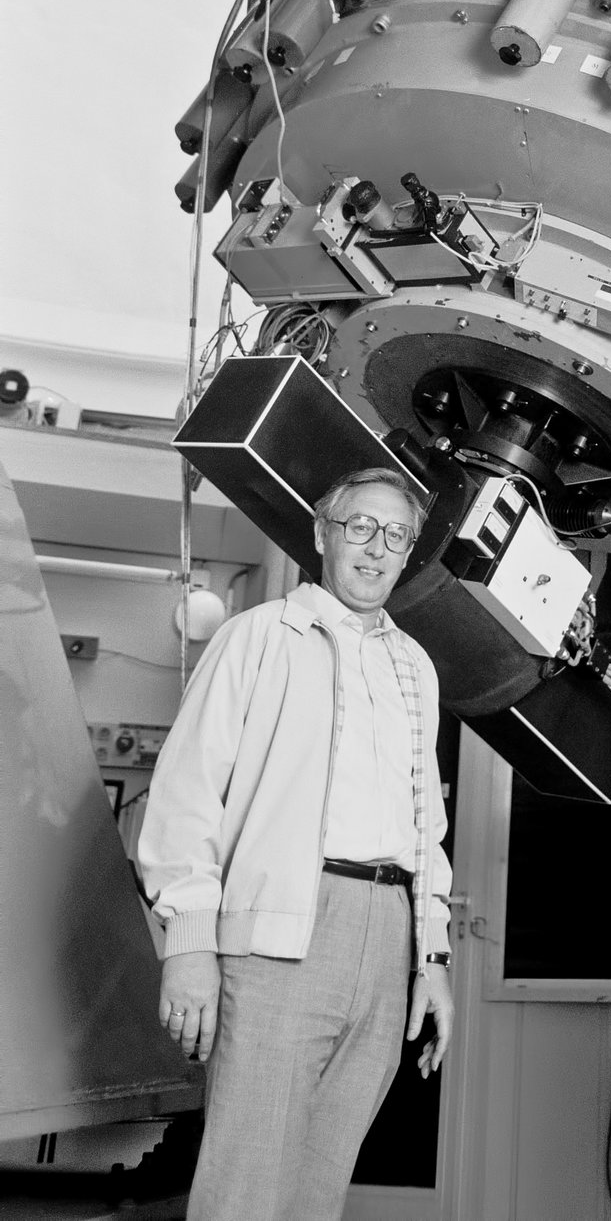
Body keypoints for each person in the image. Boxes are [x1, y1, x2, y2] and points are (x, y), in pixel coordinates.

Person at [139, 466, 453, 1221]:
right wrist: (188, 943)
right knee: (245, 1188)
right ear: (322, 533)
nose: (377, 548)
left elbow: (426, 827)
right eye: (360, 527)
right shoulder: (256, 637)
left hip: (387, 937)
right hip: (280, 932)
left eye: (397, 534)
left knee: (318, 1190)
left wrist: (433, 955)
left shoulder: (416, 665)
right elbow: (186, 795)